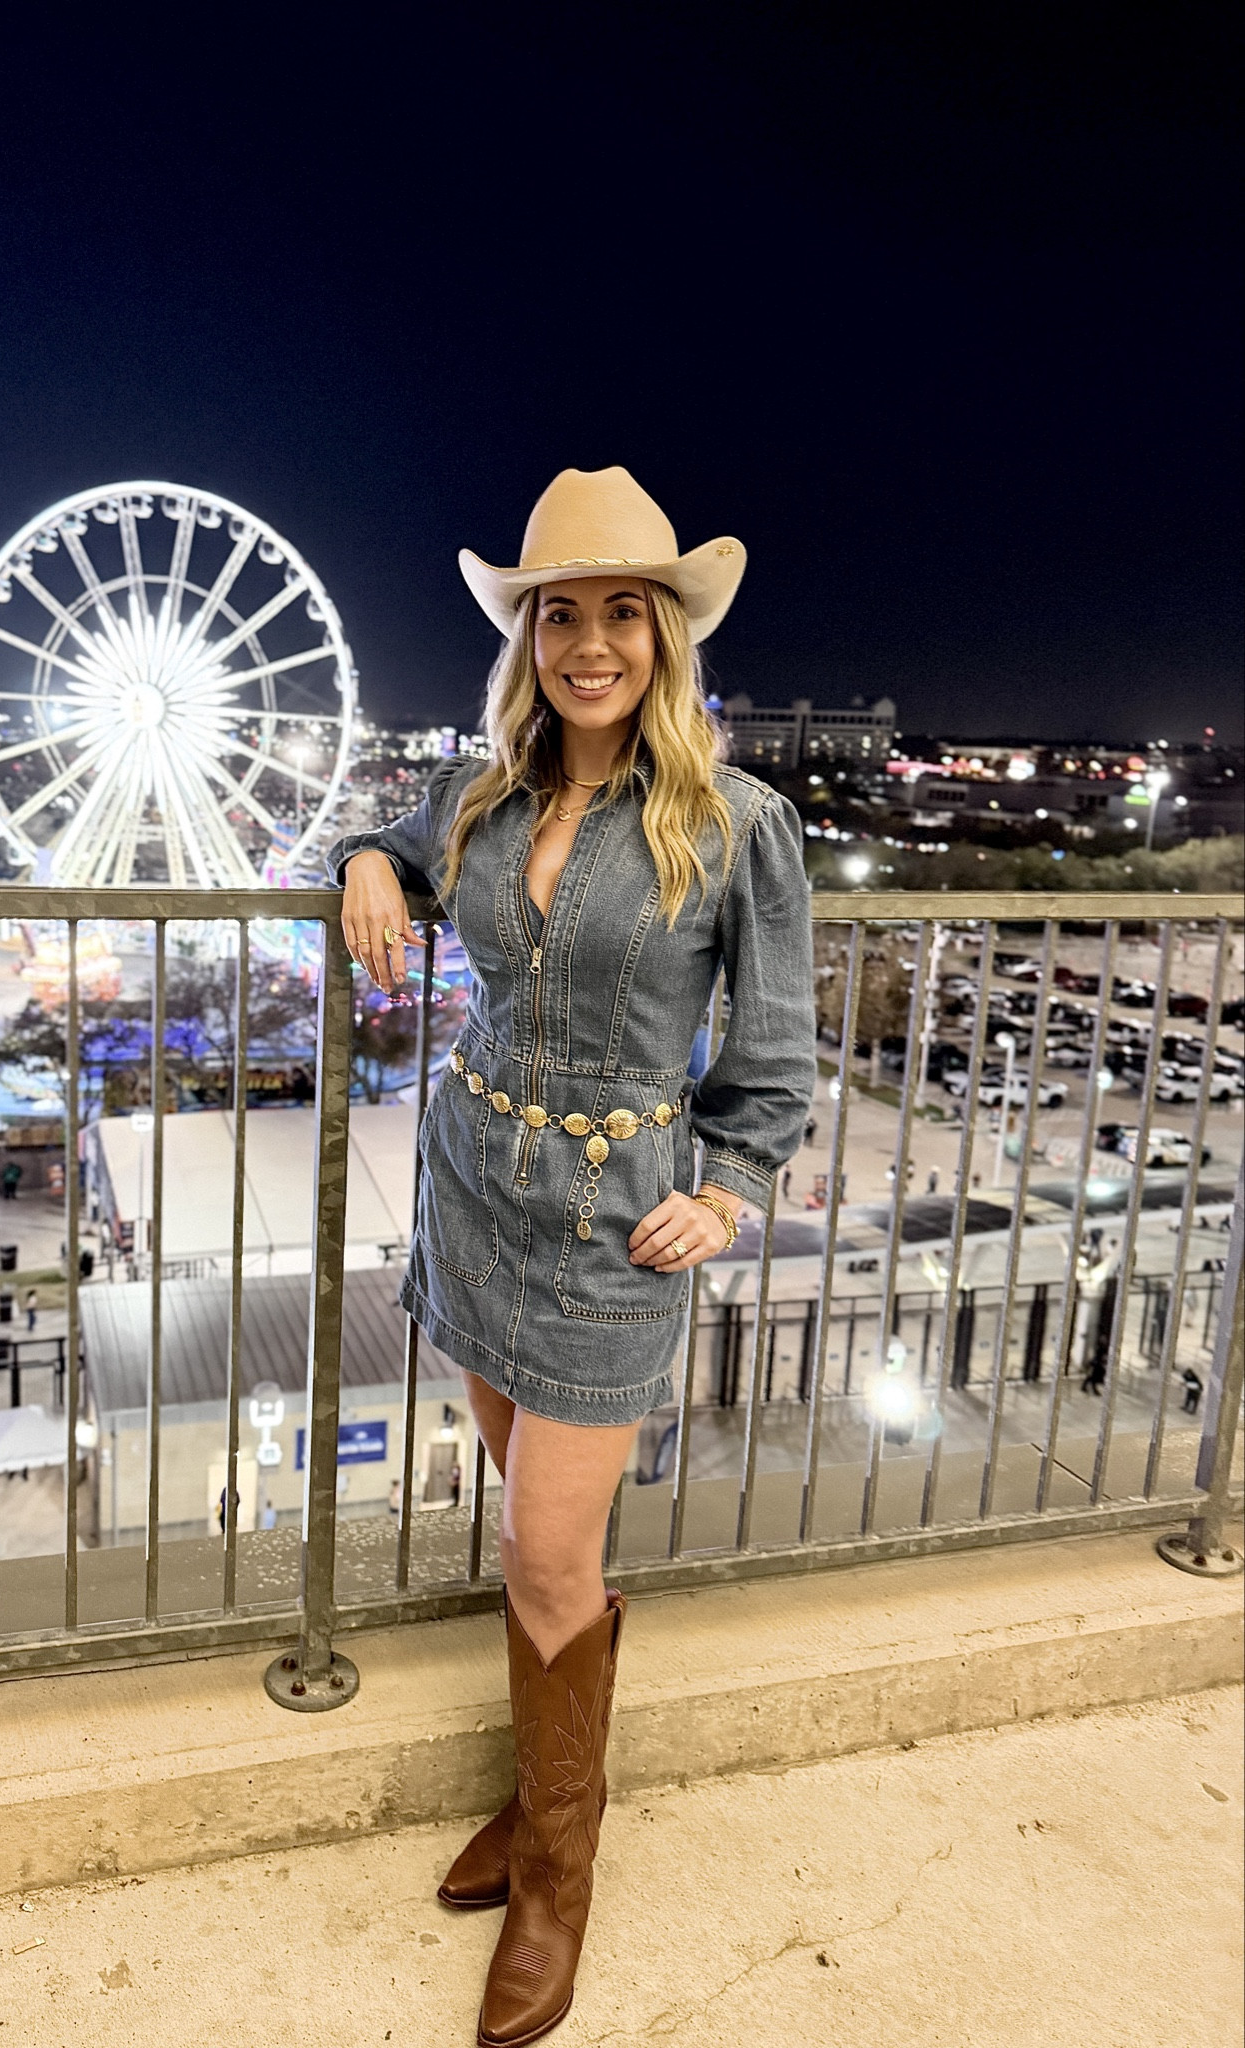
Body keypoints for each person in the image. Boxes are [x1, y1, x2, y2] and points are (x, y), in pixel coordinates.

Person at [332, 467, 815, 2046]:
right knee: (535, 1542)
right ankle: (553, 1798)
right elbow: (390, 844)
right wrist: (361, 862)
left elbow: (777, 1055)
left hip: (614, 1227)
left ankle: (557, 1868)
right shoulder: (476, 801)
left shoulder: (735, 825)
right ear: (525, 636)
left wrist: (728, 1186)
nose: (588, 641)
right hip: (472, 1188)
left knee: (548, 1553)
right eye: (560, 613)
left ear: (665, 639)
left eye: (621, 611)